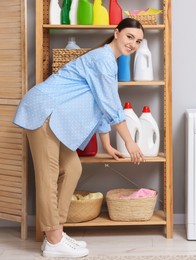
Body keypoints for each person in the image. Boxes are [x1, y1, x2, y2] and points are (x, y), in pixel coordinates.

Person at [13, 18, 145, 258]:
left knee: (72, 168)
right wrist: (129, 141)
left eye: (138, 41)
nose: (133, 44)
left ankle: (56, 234)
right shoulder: (103, 59)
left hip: (54, 117)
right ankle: (53, 240)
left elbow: (102, 103)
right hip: (44, 111)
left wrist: (106, 144)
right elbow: (111, 105)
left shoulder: (108, 62)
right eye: (129, 37)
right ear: (116, 33)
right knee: (48, 175)